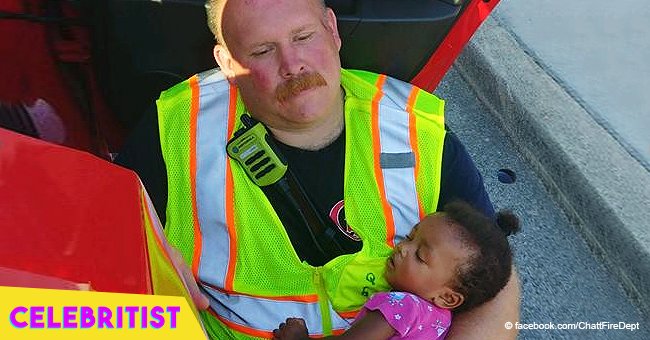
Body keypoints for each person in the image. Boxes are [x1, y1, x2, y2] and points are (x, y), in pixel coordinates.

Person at [115, 0, 520, 338]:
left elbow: (493, 277)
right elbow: (100, 246)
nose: (293, 65)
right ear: (226, 61)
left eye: (303, 37)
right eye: (261, 51)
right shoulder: (174, 128)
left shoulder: (414, 128)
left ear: (332, 29)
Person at [272, 201, 520, 340]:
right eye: (410, 237)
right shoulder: (441, 322)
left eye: (420, 256)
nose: (403, 248)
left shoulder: (400, 306)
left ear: (447, 297)